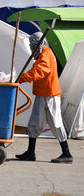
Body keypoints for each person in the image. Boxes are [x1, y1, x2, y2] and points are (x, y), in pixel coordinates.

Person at [16, 32, 73, 164]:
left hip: (50, 95)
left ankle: (67, 154)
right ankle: (30, 153)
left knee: (56, 123)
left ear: (40, 44)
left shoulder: (47, 55)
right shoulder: (43, 54)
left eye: (33, 45)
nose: (32, 48)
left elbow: (39, 72)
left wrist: (23, 78)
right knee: (35, 123)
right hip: (42, 94)